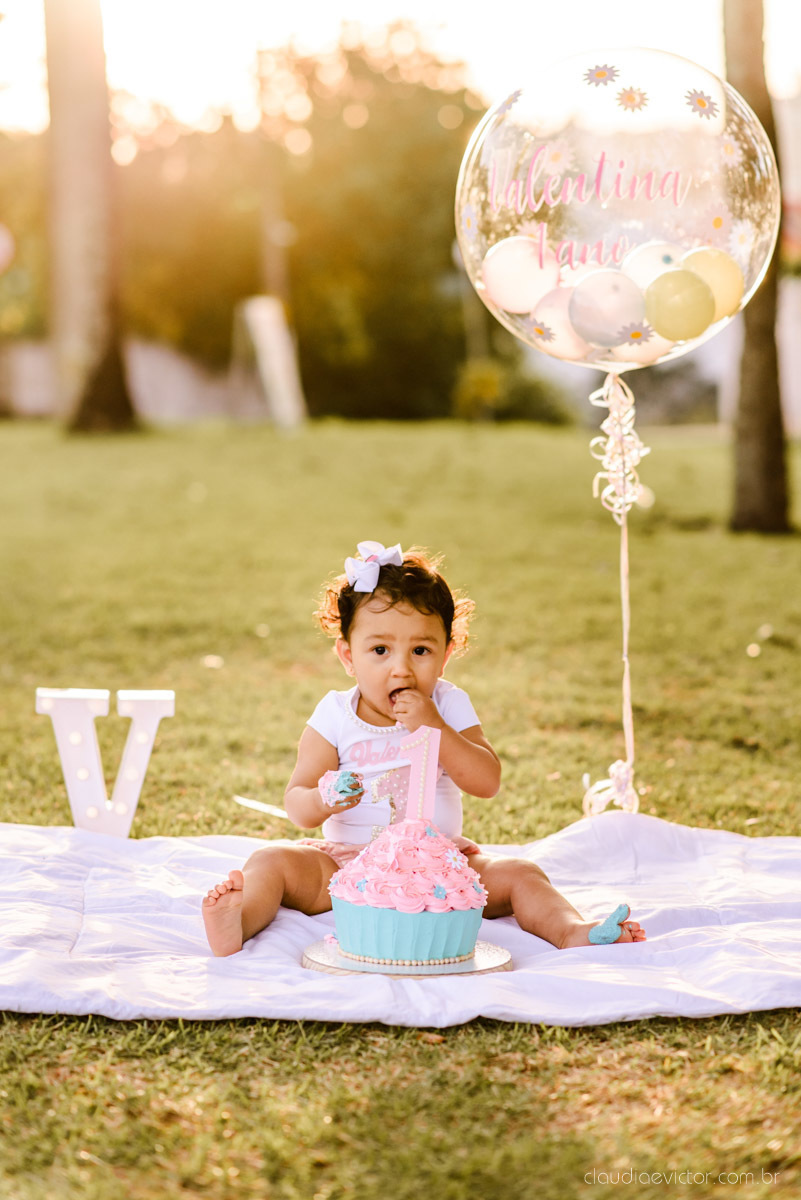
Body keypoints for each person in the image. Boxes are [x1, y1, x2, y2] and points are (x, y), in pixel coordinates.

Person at [202, 541, 646, 956]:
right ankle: (236, 923)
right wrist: (324, 798)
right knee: (272, 861)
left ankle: (571, 930)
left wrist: (436, 728)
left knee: (520, 874)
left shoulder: (449, 705)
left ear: (446, 653)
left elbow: (486, 781)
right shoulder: (336, 715)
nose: (400, 668)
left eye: (420, 650)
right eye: (379, 649)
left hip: (444, 867)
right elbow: (297, 803)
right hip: (348, 869)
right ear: (347, 656)